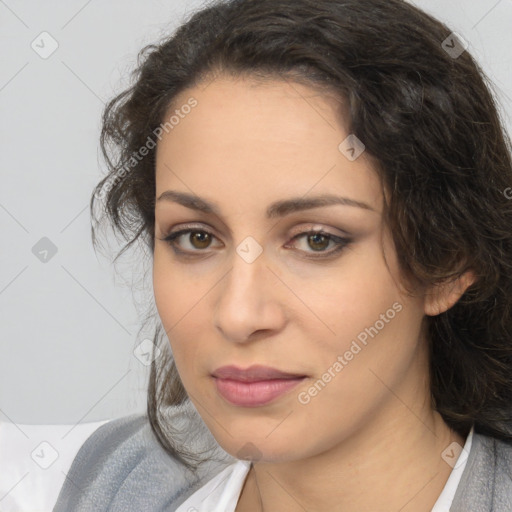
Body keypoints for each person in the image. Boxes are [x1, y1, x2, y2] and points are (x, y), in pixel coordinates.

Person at [53, 0, 512, 510]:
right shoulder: (112, 476)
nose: (238, 315)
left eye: (317, 239)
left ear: (446, 262)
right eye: (196, 237)